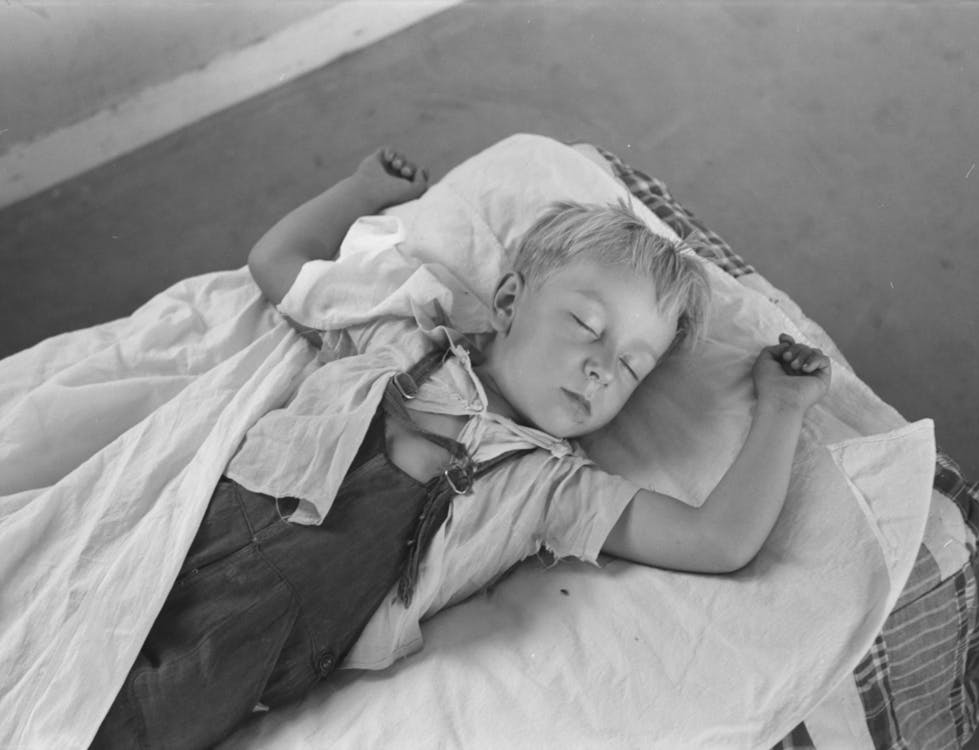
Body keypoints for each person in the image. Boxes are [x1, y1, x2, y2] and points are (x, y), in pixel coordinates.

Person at [92, 147, 831, 749]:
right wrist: (359, 189)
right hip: (187, 534)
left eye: (633, 365)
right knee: (64, 638)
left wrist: (783, 408)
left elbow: (719, 538)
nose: (606, 364)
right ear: (509, 302)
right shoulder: (400, 333)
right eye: (586, 324)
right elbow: (277, 261)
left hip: (257, 640)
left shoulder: (552, 488)